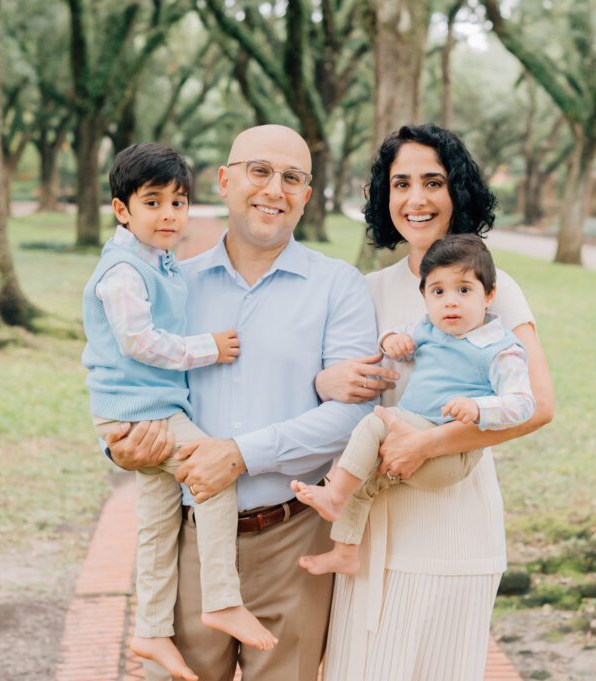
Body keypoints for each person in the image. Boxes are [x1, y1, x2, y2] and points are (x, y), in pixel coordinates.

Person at [104, 125, 379, 681]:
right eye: (259, 171)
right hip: (188, 540)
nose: (274, 189)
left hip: (293, 540)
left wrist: (241, 454)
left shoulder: (339, 287)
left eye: (291, 178)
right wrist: (119, 450)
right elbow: (124, 379)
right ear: (225, 181)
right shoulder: (170, 284)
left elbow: (352, 416)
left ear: (307, 194)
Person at [316, 124, 555, 681]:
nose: (416, 199)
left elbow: (538, 403)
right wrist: (331, 382)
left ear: (458, 193)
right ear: (384, 197)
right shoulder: (368, 290)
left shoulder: (489, 287)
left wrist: (428, 443)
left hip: (454, 525)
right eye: (401, 184)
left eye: (433, 182)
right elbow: (337, 386)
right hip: (370, 526)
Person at [82, 142, 276, 681]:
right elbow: (138, 342)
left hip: (144, 410)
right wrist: (209, 347)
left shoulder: (155, 260)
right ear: (123, 210)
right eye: (153, 202)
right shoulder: (122, 272)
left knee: (157, 524)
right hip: (144, 413)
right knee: (214, 474)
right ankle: (220, 597)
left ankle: (149, 631)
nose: (169, 215)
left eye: (179, 202)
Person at [292, 234, 535, 577]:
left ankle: (334, 494)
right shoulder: (429, 328)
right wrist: (393, 341)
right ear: (424, 297)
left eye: (464, 290)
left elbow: (524, 404)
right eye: (438, 292)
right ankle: (345, 550)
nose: (450, 303)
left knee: (376, 423)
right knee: (366, 475)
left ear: (489, 295)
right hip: (412, 430)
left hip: (451, 451)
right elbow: (391, 336)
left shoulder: (499, 348)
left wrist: (481, 408)